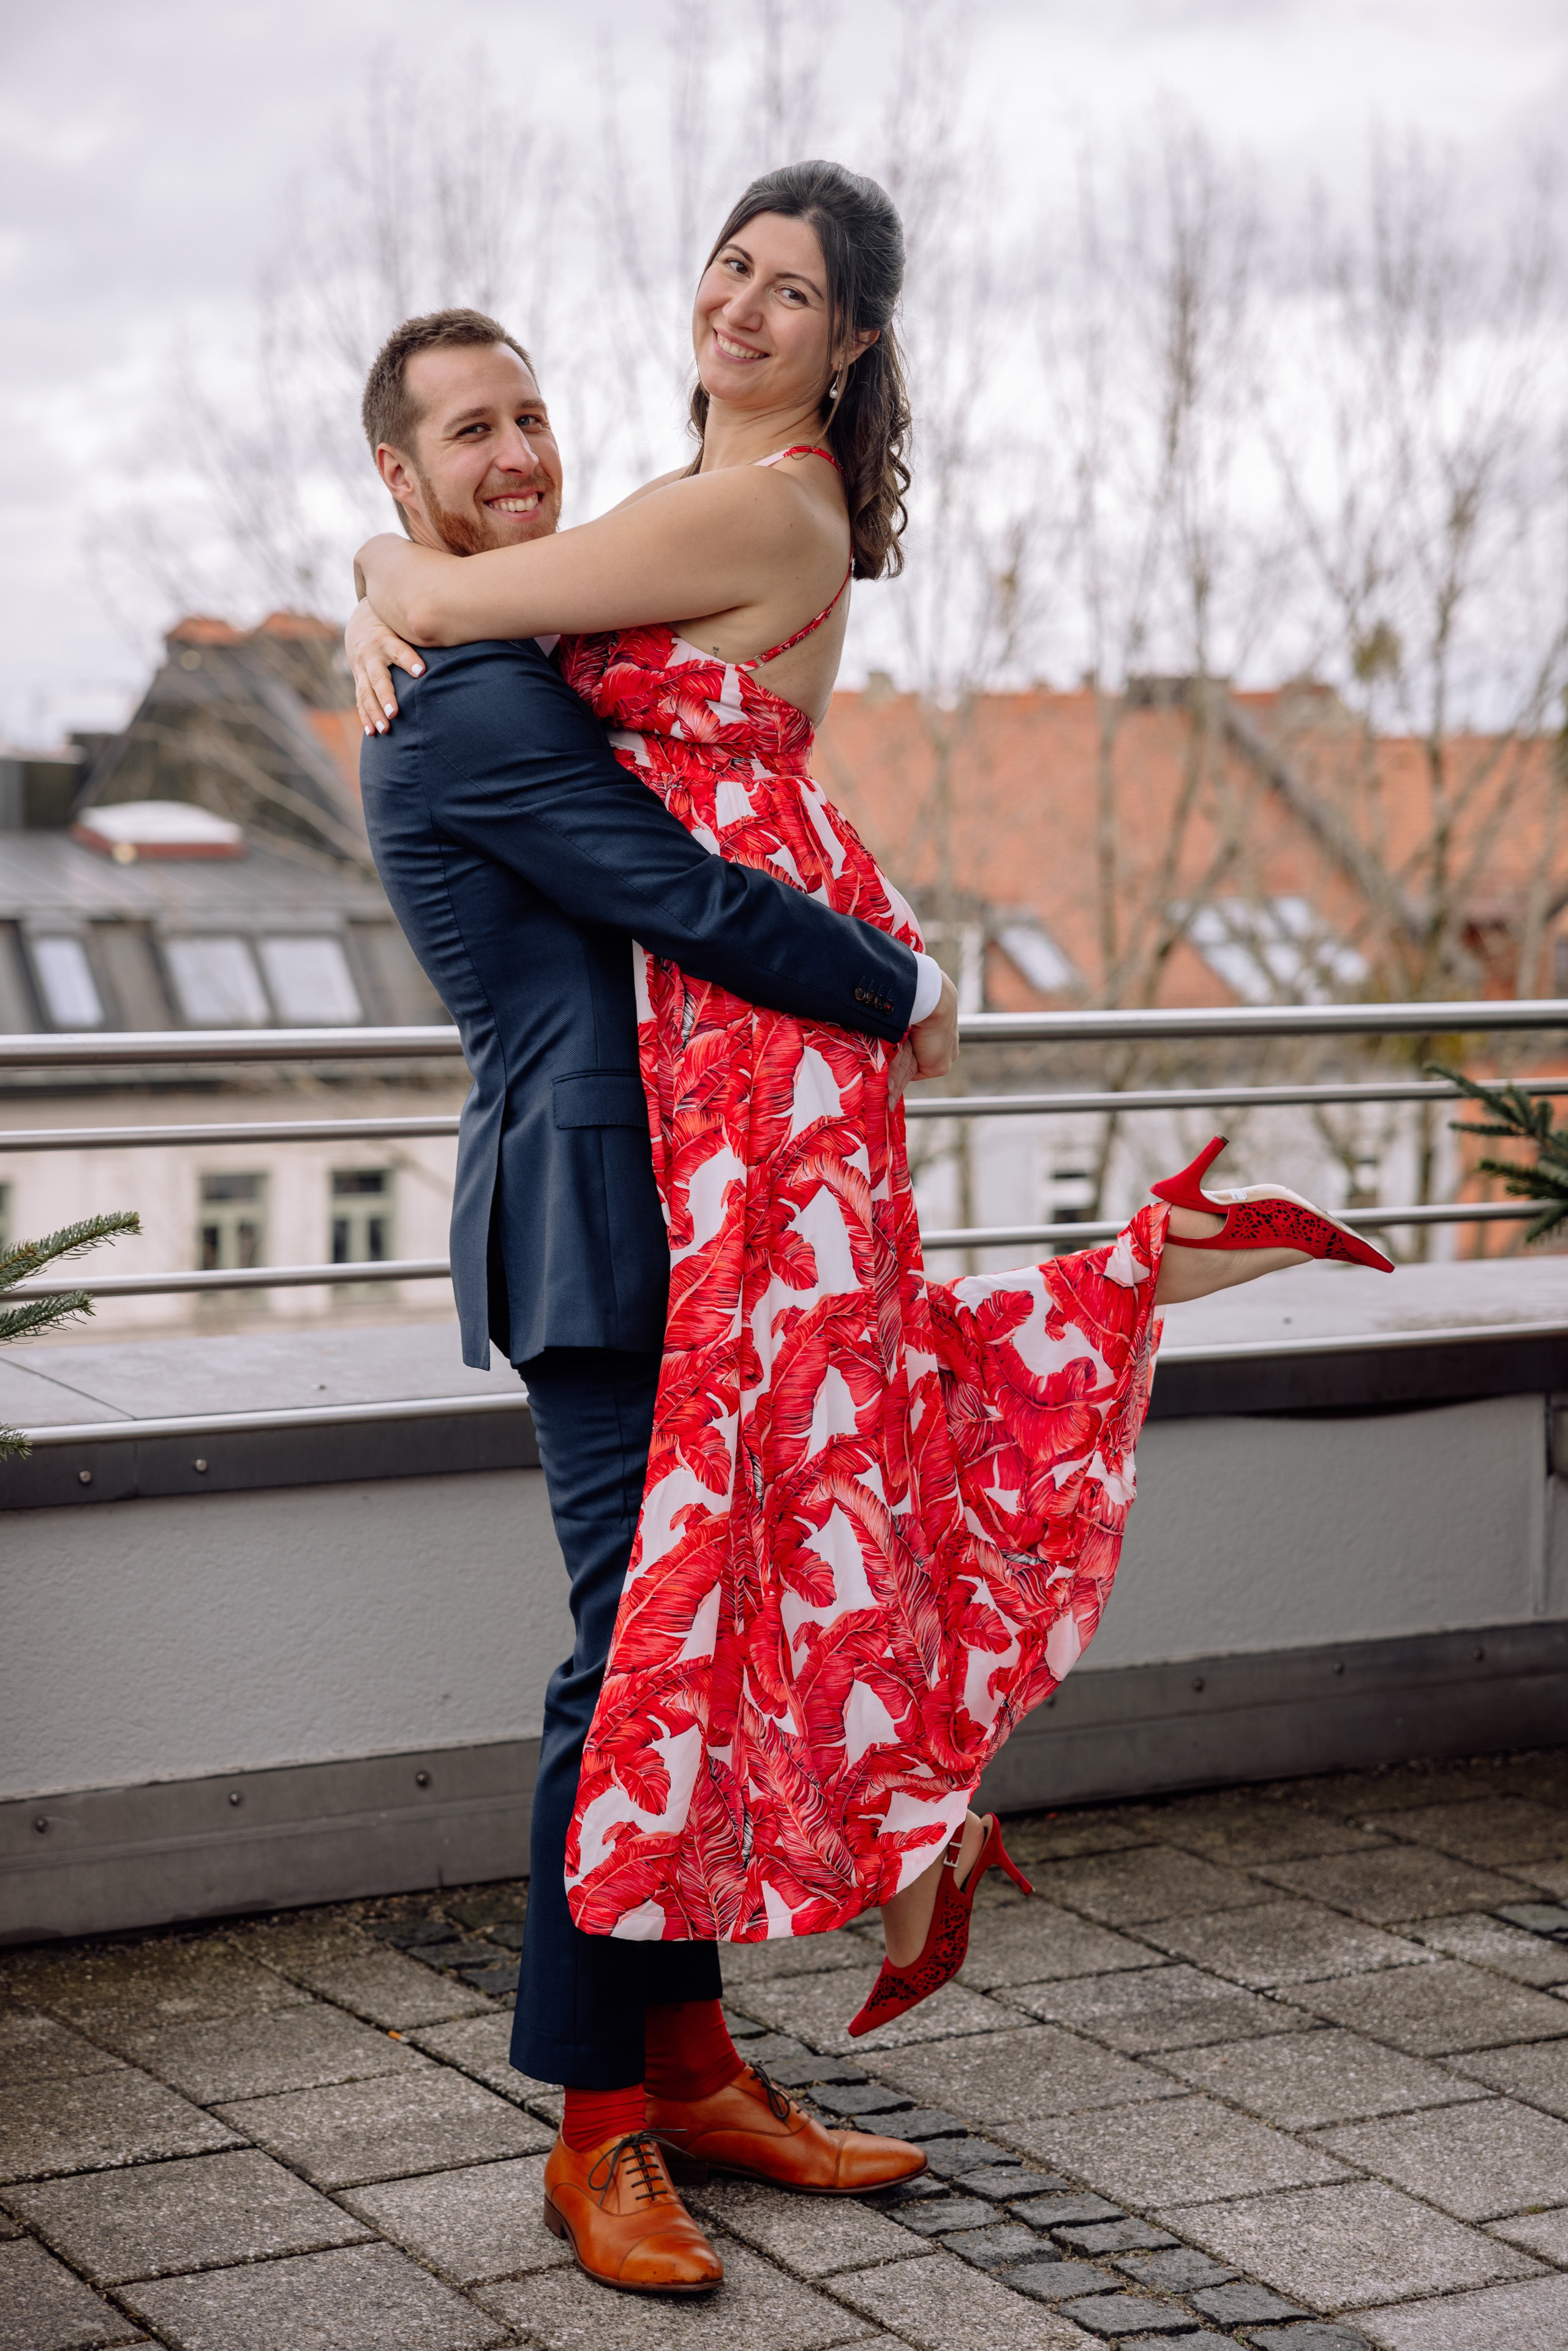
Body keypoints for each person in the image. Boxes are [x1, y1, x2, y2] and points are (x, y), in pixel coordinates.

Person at [351, 160, 1393, 2295]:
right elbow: (680, 890)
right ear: (401, 463)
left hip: (707, 1183)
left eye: (527, 415)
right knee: (627, 1671)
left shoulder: (589, 589)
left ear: (851, 342)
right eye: (467, 435)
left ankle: (698, 2068)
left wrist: (381, 571)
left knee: (698, 1639)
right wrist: (899, 981)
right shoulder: (468, 699)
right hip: (598, 1216)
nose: (519, 454)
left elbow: (521, 620)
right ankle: (598, 2127)